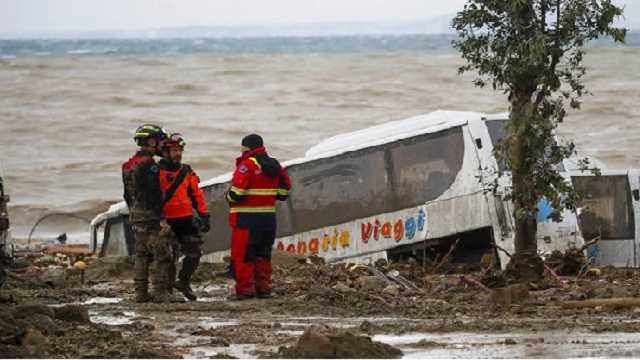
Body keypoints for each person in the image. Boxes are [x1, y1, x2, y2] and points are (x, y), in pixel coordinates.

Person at [122, 124, 185, 303]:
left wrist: (134, 209)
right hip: (151, 216)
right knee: (162, 253)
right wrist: (162, 218)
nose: (162, 145)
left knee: (141, 254)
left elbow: (126, 194)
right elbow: (154, 193)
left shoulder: (128, 164)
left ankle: (141, 293)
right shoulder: (150, 165)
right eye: (160, 141)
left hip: (135, 214)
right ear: (151, 141)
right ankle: (160, 292)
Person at [225, 134, 291, 300]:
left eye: (242, 147)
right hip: (268, 219)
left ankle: (245, 290)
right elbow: (285, 192)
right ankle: (263, 287)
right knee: (263, 254)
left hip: (246, 219)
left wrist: (228, 196)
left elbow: (238, 193)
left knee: (244, 255)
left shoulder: (246, 165)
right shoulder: (275, 165)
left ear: (247, 147)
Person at [158, 133, 211, 301]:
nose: (178, 153)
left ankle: (184, 282)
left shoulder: (187, 171)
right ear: (165, 152)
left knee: (195, 252)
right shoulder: (156, 171)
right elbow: (151, 198)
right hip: (166, 220)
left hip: (186, 219)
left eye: (180, 150)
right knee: (167, 256)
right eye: (174, 150)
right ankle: (167, 288)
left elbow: (197, 195)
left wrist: (204, 214)